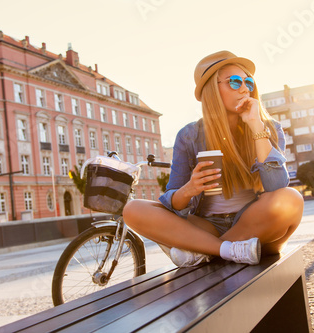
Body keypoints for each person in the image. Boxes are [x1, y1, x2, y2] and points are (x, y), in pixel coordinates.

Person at [123, 51, 304, 267]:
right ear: (212, 89)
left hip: (255, 223)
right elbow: (173, 203)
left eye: (249, 82)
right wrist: (189, 189)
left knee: (291, 198)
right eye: (235, 82)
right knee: (132, 209)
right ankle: (227, 250)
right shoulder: (190, 135)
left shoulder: (270, 129)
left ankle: (204, 251)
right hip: (208, 224)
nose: (245, 89)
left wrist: (256, 125)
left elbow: (276, 187)